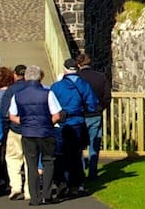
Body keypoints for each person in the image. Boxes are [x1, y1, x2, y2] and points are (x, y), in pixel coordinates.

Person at [11, 68, 62, 206]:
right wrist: (47, 123)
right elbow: (57, 115)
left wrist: (26, 123)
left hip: (28, 133)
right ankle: (47, 194)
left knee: (31, 165)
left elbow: (12, 116)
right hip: (45, 132)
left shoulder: (18, 95)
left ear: (26, 78)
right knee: (48, 161)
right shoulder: (48, 94)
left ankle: (34, 197)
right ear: (40, 78)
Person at [51, 60, 99, 198]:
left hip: (61, 123)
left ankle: (61, 181)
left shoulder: (57, 86)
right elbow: (92, 104)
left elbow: (51, 105)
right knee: (76, 154)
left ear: (65, 70)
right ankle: (76, 184)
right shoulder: (84, 85)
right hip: (77, 122)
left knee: (60, 154)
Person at [0, 65, 32, 201]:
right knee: (29, 160)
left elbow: (4, 113)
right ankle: (29, 189)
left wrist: (4, 130)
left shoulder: (11, 90)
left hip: (14, 128)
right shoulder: (33, 88)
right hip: (31, 129)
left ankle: (15, 186)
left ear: (15, 75)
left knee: (13, 158)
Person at [73, 53, 111, 179]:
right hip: (95, 114)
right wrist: (100, 108)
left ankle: (81, 171)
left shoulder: (76, 78)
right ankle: (93, 172)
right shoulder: (101, 77)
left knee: (78, 145)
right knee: (94, 144)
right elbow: (107, 97)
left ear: (78, 64)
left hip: (79, 114)